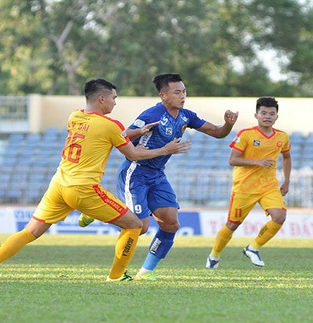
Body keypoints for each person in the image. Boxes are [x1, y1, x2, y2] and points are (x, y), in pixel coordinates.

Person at [0, 79, 191, 282]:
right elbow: (134, 155)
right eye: (113, 98)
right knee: (135, 226)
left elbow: (99, 136)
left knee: (30, 232)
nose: (114, 103)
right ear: (102, 99)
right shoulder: (112, 125)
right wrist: (166, 149)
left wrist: (139, 133)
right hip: (84, 189)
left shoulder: (75, 116)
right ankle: (116, 276)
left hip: (59, 184)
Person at [79, 73, 238, 281]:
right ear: (163, 95)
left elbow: (218, 133)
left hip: (157, 176)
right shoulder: (153, 113)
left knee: (171, 223)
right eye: (177, 92)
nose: (182, 96)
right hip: (135, 172)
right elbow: (123, 135)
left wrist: (228, 124)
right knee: (141, 227)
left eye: (184, 91)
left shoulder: (186, 115)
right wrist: (144, 134)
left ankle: (145, 272)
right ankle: (98, 211)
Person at [206, 96, 291, 269]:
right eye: (264, 113)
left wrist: (287, 180)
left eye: (271, 113)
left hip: (268, 186)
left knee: (280, 216)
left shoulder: (282, 137)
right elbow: (232, 159)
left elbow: (287, 156)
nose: (267, 116)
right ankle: (214, 256)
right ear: (256, 115)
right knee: (232, 224)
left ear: (276, 117)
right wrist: (257, 162)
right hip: (244, 187)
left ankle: (253, 248)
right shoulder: (246, 134)